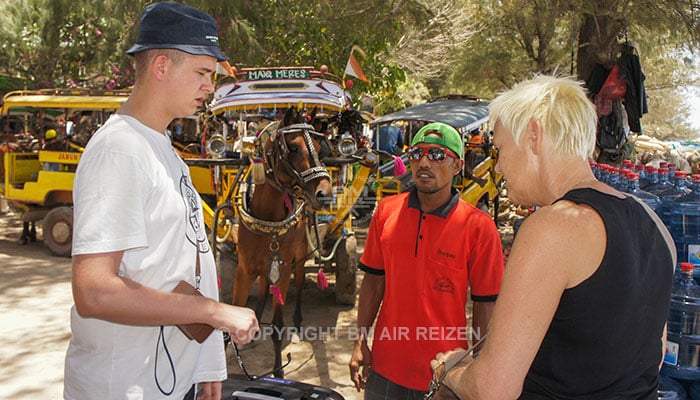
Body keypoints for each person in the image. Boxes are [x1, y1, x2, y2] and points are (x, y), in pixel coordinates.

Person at [430, 75, 675, 399]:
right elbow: (653, 356)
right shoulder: (655, 225)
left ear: (533, 135)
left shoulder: (552, 227)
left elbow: (493, 389)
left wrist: (452, 370)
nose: (499, 167)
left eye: (501, 148)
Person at [63, 3, 259, 400]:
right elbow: (94, 292)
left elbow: (186, 264)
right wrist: (214, 313)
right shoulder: (120, 150)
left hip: (171, 380)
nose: (210, 86)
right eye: (203, 73)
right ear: (161, 66)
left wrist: (206, 365)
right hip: (123, 388)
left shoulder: (164, 150)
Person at [349, 122, 505, 399]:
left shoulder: (479, 227)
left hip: (445, 373)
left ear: (457, 166)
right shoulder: (386, 213)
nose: (424, 162)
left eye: (436, 155)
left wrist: (481, 367)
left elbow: (485, 303)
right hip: (385, 368)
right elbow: (373, 282)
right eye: (416, 153)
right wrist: (361, 340)